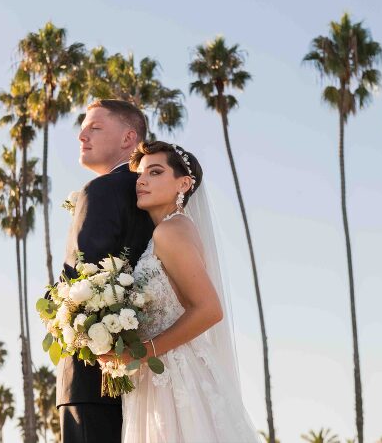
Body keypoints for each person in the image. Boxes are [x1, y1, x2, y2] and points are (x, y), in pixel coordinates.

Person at [99, 140, 261, 443]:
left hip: (175, 376)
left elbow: (210, 309)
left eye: (156, 172)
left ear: (184, 183)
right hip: (159, 375)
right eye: (141, 174)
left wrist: (144, 352)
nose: (142, 181)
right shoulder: (169, 232)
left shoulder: (171, 231)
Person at [56, 99, 154, 443]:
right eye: (83, 126)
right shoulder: (158, 201)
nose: (82, 134)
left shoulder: (101, 191)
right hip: (150, 378)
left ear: (129, 138)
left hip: (90, 378)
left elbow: (76, 283)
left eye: (95, 127)